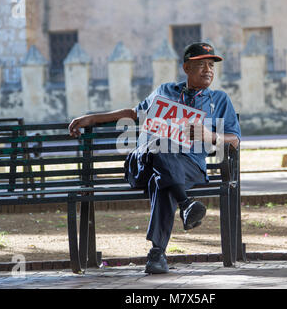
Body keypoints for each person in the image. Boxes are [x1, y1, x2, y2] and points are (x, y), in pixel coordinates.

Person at [68, 42, 241, 274]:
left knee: (163, 181)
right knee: (162, 145)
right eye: (201, 64)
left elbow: (235, 139)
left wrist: (211, 136)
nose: (208, 70)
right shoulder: (165, 91)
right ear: (186, 68)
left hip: (188, 166)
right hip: (144, 163)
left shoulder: (220, 100)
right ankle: (186, 204)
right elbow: (133, 113)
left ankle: (157, 254)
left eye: (211, 65)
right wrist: (93, 118)